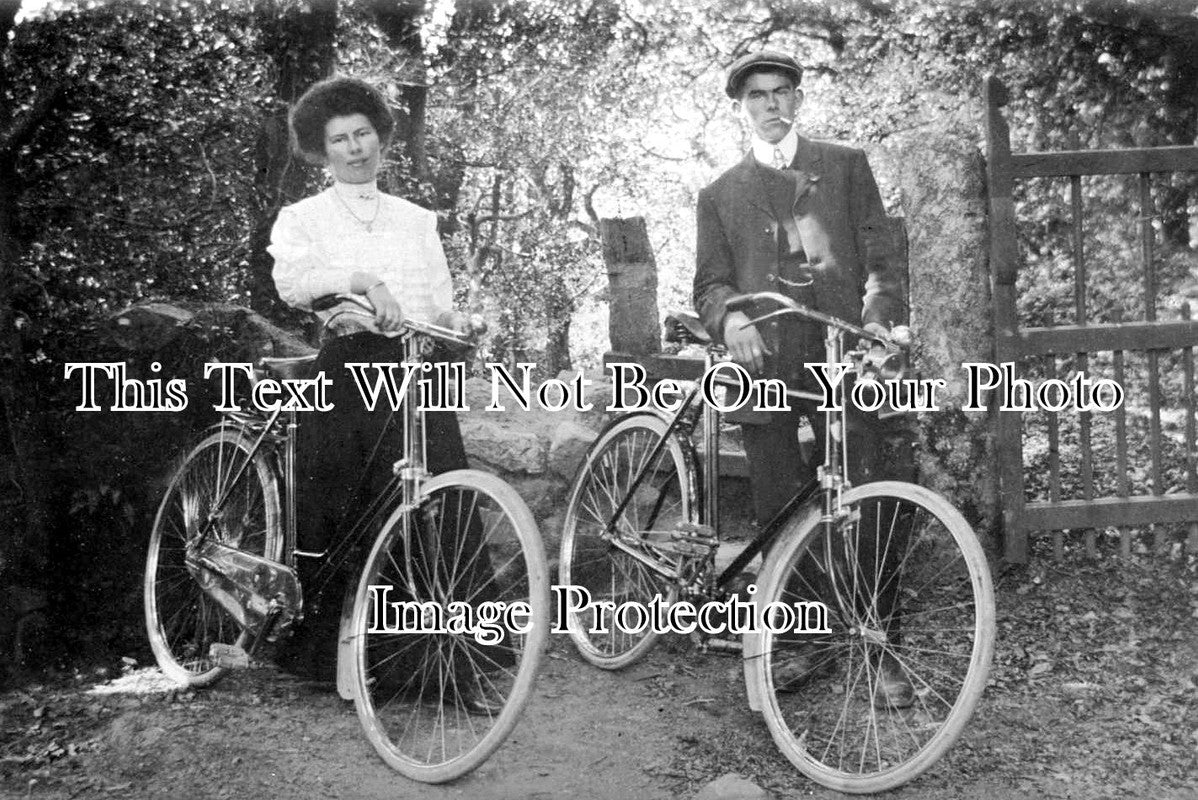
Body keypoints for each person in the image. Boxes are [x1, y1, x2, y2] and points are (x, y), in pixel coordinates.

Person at [267, 77, 502, 707]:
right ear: (321, 151)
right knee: (349, 509)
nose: (354, 148)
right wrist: (361, 281)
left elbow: (438, 302)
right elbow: (293, 283)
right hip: (346, 374)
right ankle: (342, 667)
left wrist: (453, 326)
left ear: (380, 136)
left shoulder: (416, 220)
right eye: (339, 139)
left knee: (440, 503)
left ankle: (446, 671)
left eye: (363, 133)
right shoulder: (302, 219)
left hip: (419, 371)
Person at [693, 51, 913, 707]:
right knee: (781, 500)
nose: (770, 105)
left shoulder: (844, 166)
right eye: (756, 96)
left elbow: (883, 259)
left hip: (844, 352)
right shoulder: (720, 193)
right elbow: (709, 282)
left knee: (872, 490)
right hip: (765, 362)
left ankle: (880, 645)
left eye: (781, 92)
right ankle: (805, 641)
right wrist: (730, 318)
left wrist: (877, 319)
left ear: (798, 99)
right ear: (741, 108)